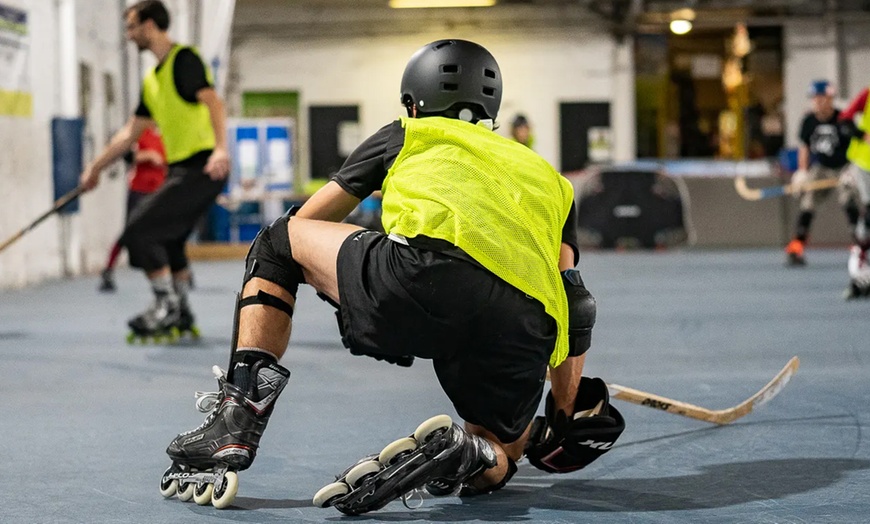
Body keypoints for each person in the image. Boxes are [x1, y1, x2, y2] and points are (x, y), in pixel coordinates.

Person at [158, 39, 624, 511]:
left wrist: (338, 269)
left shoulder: (406, 133)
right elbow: (574, 304)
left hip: (423, 279)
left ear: (412, 101)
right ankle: (468, 452)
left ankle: (237, 418)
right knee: (503, 451)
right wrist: (564, 412)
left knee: (277, 241)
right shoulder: (553, 180)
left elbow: (306, 223)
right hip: (522, 324)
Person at [80, 0, 230, 339]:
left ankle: (165, 307)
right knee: (170, 239)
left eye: (132, 26)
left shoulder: (184, 60)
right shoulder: (153, 79)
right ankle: (180, 309)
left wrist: (221, 149)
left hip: (204, 166)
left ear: (149, 26)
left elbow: (214, 103)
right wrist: (96, 167)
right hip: (179, 170)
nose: (128, 34)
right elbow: (129, 134)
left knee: (140, 229)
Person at [784, 80, 858, 266]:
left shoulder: (843, 118)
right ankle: (797, 246)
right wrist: (802, 172)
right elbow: (804, 148)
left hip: (843, 167)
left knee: (847, 200)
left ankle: (860, 244)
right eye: (815, 98)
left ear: (830, 98)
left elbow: (857, 145)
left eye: (821, 98)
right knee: (808, 202)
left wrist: (853, 170)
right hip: (822, 167)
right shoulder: (809, 121)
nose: (817, 102)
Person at [99, 126, 167, 292]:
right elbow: (127, 156)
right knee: (130, 231)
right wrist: (148, 156)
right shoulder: (141, 132)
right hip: (139, 190)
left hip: (160, 190)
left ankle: (175, 273)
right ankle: (108, 269)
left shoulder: (168, 134)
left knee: (165, 232)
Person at [837, 83, 870, 297]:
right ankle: (859, 274)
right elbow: (845, 122)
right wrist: (861, 134)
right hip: (865, 165)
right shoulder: (867, 94)